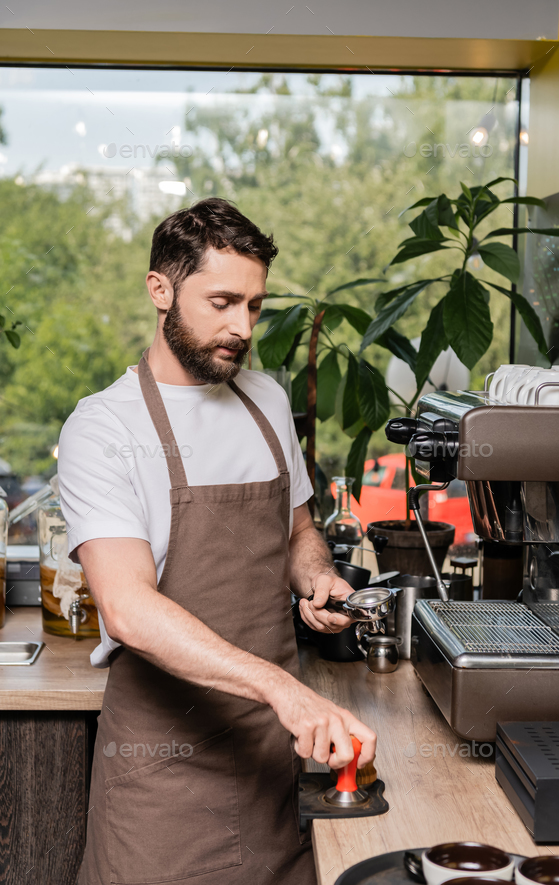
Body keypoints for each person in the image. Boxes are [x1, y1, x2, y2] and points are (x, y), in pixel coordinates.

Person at [58, 198, 377, 885]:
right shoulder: (102, 429)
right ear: (160, 289)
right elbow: (126, 607)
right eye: (223, 301)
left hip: (275, 764)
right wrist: (285, 690)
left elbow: (296, 532)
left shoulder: (263, 398)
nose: (242, 328)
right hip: (162, 786)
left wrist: (316, 577)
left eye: (255, 306)